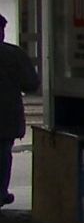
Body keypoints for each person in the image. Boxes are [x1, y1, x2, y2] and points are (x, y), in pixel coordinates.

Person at [0, 15, 38, 208]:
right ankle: (1, 192)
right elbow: (31, 83)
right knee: (3, 154)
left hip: (7, 116)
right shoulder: (14, 54)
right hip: (6, 116)